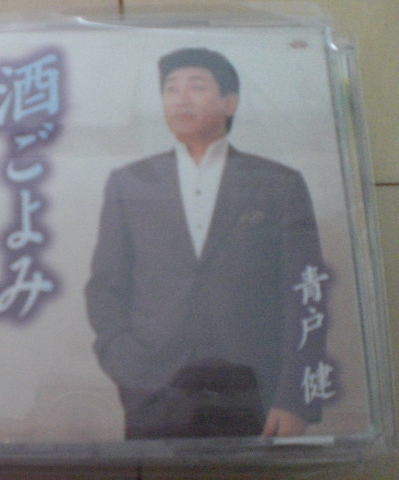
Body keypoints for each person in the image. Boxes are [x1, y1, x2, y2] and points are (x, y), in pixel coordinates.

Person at [85, 48, 327, 439]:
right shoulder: (129, 182)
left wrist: (295, 398)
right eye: (171, 89)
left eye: (196, 87)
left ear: (229, 103)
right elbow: (105, 286)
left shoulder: (278, 183)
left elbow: (306, 294)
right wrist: (124, 362)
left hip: (256, 390)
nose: (181, 99)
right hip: (155, 388)